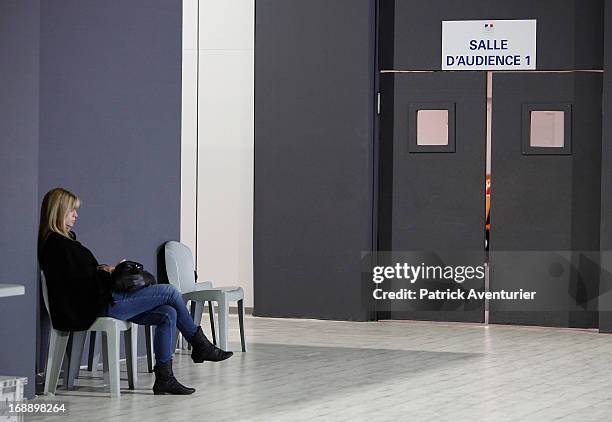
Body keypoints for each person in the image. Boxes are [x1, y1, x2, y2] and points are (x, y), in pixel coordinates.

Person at [38, 187, 232, 395]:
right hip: (99, 305)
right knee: (170, 292)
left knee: (168, 313)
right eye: (71, 211)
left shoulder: (65, 241)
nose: (76, 215)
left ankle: (164, 378)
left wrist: (104, 269)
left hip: (101, 300)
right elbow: (80, 283)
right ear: (57, 212)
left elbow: (82, 275)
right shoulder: (57, 245)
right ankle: (199, 343)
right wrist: (109, 274)